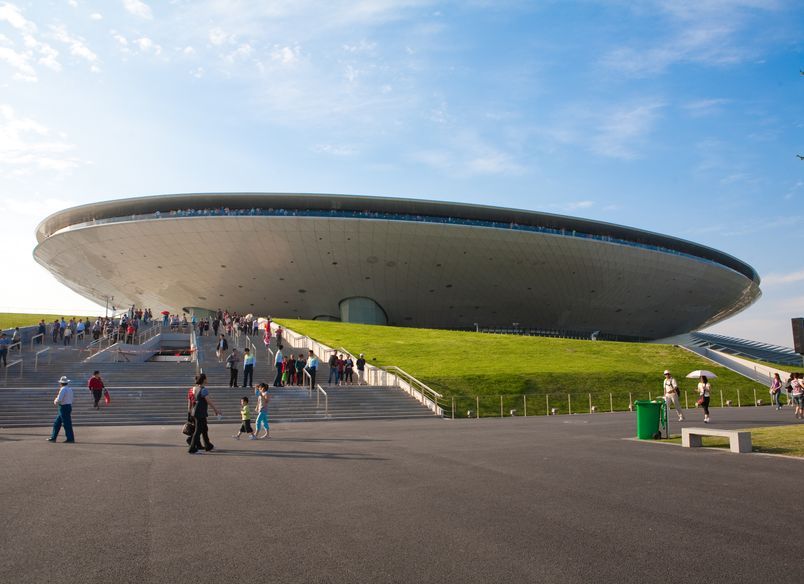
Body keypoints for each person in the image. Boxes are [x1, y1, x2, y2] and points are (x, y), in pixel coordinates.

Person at [187, 373, 221, 454]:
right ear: (203, 380)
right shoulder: (203, 389)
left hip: (195, 411)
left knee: (204, 429)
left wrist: (189, 412)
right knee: (198, 431)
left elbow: (191, 401)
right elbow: (208, 401)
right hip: (200, 412)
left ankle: (208, 445)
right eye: (206, 378)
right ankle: (192, 448)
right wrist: (216, 410)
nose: (207, 380)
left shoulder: (194, 388)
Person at [47, 376, 75, 443]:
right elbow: (71, 398)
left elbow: (59, 399)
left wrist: (55, 401)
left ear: (61, 383)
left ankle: (70, 438)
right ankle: (53, 437)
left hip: (63, 407)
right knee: (58, 423)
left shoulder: (63, 389)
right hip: (68, 406)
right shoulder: (69, 389)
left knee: (66, 423)